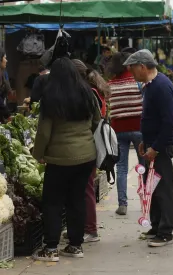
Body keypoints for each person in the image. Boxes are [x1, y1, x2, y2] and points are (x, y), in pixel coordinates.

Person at [32, 57, 101, 261]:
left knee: (53, 202)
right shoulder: (87, 93)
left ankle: (51, 248)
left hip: (59, 159)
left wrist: (38, 155)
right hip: (86, 157)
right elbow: (97, 120)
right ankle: (75, 245)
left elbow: (44, 133)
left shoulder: (51, 98)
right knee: (76, 200)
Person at [124, 49, 173, 247]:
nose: (132, 74)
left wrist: (155, 147)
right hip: (151, 144)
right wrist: (144, 141)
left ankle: (166, 231)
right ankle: (156, 225)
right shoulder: (150, 86)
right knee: (152, 188)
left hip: (160, 146)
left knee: (163, 188)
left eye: (133, 70)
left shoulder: (161, 86)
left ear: (142, 67)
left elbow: (168, 122)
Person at [71, 59, 110, 243]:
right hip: (94, 144)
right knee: (85, 187)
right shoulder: (95, 91)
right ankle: (85, 227)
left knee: (86, 188)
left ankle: (91, 230)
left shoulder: (89, 94)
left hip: (91, 145)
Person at [106, 52, 144, 216]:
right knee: (144, 165)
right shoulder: (137, 81)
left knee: (121, 168)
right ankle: (146, 200)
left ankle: (123, 204)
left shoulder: (110, 84)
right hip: (138, 128)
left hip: (118, 130)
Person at [0, 48, 12, 123]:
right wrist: (7, 113)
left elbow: (9, 90)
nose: (6, 61)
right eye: (5, 58)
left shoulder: (3, 74)